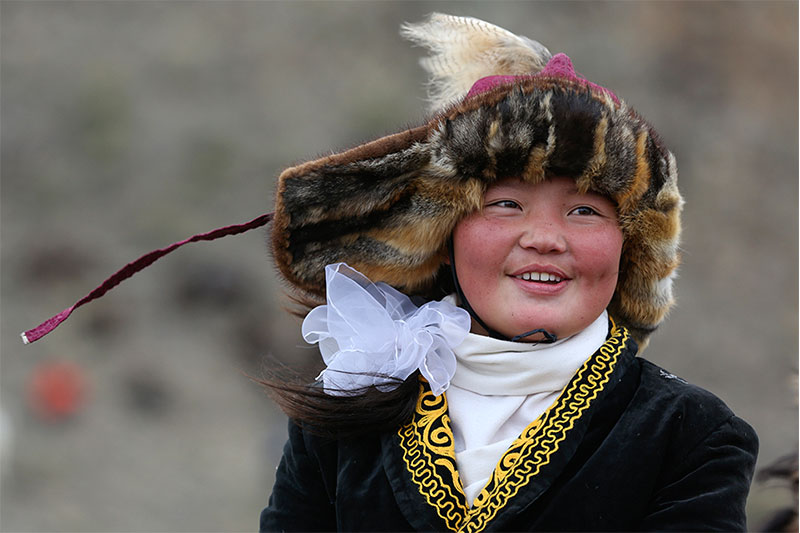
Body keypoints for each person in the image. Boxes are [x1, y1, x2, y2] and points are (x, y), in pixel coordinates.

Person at [258, 13, 758, 532]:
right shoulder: (344, 413)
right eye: (505, 205)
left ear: (628, 248)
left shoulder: (690, 436)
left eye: (584, 211)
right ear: (443, 239)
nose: (544, 237)